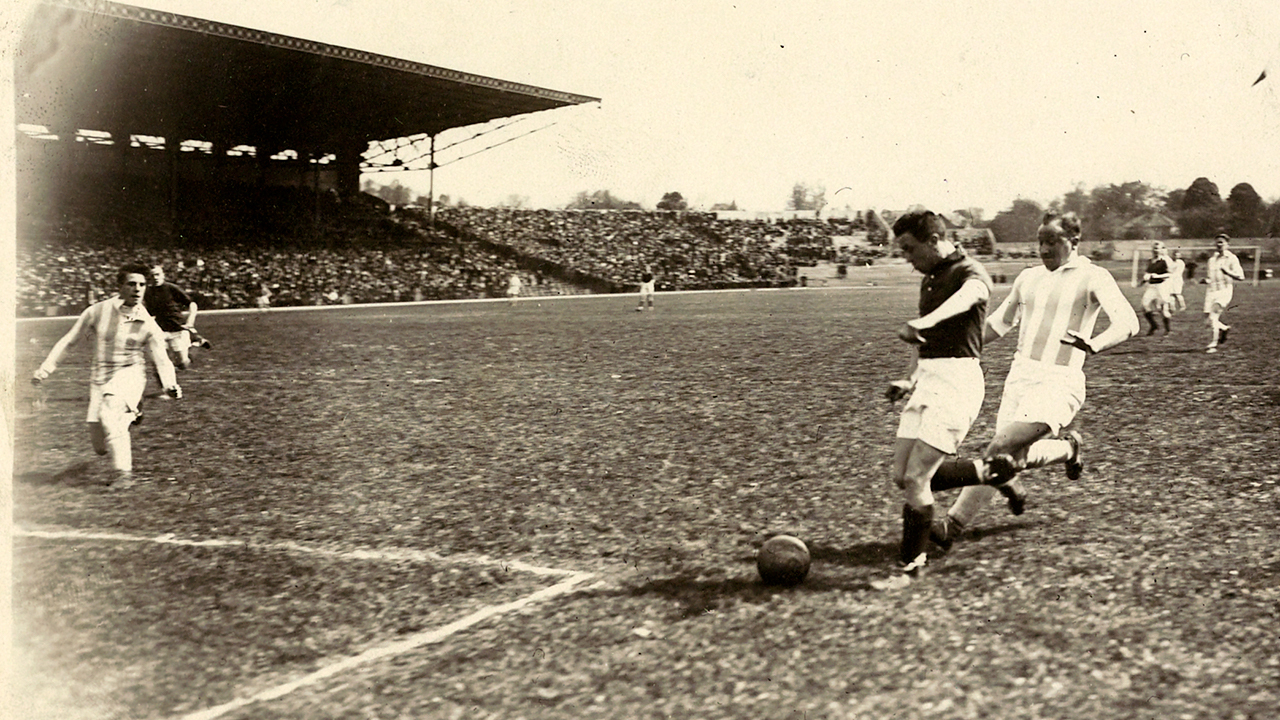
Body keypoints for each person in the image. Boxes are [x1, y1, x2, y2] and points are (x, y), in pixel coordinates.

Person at [926, 212, 1140, 549]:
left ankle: (952, 525)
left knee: (998, 449)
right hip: (1020, 377)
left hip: (1060, 380)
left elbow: (1128, 322)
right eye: (1040, 241)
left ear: (1074, 240)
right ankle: (1069, 448)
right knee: (1012, 460)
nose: (1043, 248)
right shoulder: (1028, 278)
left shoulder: (1093, 276)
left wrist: (1094, 344)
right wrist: (953, 346)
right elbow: (999, 324)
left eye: (1052, 241)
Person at [870, 210, 992, 591]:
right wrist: (908, 379)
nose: (906, 257)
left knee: (917, 477)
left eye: (909, 248)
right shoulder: (930, 279)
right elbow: (923, 343)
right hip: (928, 380)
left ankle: (911, 567)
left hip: (958, 381)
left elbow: (971, 298)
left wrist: (922, 323)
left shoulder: (971, 272)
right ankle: (990, 472)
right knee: (901, 475)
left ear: (934, 240)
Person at [30, 263, 183, 489]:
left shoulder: (148, 323)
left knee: (110, 412)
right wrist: (45, 369)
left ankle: (123, 475)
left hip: (131, 373)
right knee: (100, 446)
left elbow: (161, 358)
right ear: (119, 286)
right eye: (131, 284)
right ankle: (131, 413)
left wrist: (170, 384)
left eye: (142, 284)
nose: (138, 289)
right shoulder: (96, 311)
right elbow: (70, 341)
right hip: (99, 378)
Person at [143, 264, 211, 371]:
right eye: (152, 276)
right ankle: (169, 384)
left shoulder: (171, 288)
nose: (155, 278)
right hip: (159, 330)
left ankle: (196, 343)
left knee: (182, 364)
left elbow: (192, 304)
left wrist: (190, 321)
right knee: (160, 361)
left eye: (157, 274)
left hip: (177, 328)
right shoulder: (146, 292)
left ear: (163, 275)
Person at [1204, 234, 1245, 353]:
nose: (1219, 244)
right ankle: (1224, 328)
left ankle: (1213, 344)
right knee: (1207, 321)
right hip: (1211, 291)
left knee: (1213, 317)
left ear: (1227, 244)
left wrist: (1227, 272)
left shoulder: (1231, 258)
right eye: (1217, 242)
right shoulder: (1211, 260)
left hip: (1224, 291)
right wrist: (1206, 280)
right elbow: (1210, 277)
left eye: (1222, 242)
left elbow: (1241, 277)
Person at [1139, 241, 1172, 335]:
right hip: (1151, 287)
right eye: (1154, 248)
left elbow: (1170, 274)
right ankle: (1154, 325)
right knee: (1144, 306)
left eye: (1158, 248)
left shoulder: (1165, 260)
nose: (1155, 250)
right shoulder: (1150, 261)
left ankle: (1168, 330)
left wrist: (1157, 276)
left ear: (1162, 249)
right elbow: (1148, 273)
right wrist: (1143, 280)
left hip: (1161, 286)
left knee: (1163, 309)